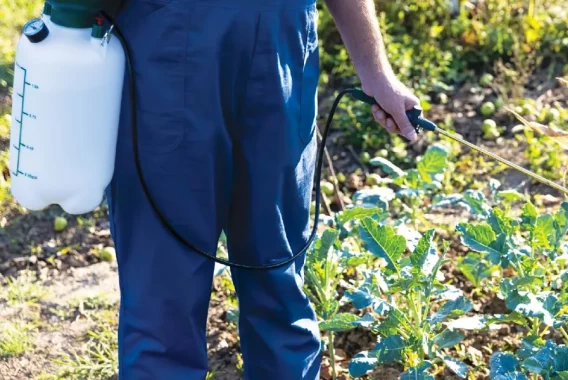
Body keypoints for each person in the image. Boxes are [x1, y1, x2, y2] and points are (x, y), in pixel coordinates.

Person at [106, 0, 420, 378]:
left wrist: (376, 71)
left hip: (279, 49)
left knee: (278, 277)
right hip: (164, 48)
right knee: (162, 295)